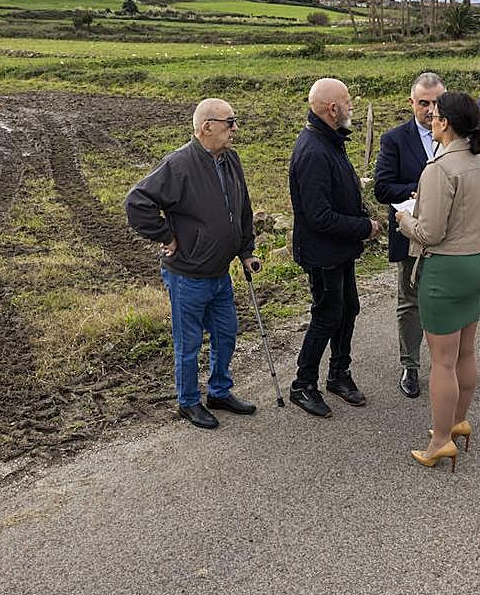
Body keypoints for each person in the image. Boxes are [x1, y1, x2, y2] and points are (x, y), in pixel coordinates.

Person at [125, 98, 262, 430]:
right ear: (207, 126)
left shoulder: (230, 160)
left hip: (219, 272)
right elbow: (137, 202)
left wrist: (246, 251)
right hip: (187, 274)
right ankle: (188, 402)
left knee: (226, 333)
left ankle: (219, 392)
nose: (235, 129)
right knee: (188, 343)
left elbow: (242, 208)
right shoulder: (179, 164)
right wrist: (166, 235)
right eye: (230, 123)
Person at [396, 92, 480, 472]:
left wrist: (406, 221)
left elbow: (431, 232)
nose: (430, 119)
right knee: (465, 351)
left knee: (441, 361)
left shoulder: (439, 169)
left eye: (435, 115)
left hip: (446, 268)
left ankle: (440, 441)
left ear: (447, 124)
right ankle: (458, 420)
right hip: (479, 260)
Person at [288, 78, 380, 417]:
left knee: (348, 308)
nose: (351, 105)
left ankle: (339, 374)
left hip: (340, 250)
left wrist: (360, 213)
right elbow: (318, 216)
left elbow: (341, 193)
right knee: (327, 315)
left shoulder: (330, 140)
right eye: (347, 101)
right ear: (332, 109)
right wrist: (364, 227)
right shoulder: (313, 150)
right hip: (322, 253)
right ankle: (303, 384)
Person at [373, 72, 445, 399]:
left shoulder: (458, 136)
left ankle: (449, 364)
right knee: (410, 302)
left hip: (449, 236)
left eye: (436, 103)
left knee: (446, 301)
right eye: (423, 103)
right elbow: (382, 187)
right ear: (411, 103)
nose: (430, 111)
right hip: (409, 233)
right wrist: (419, 190)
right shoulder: (395, 139)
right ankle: (410, 365)